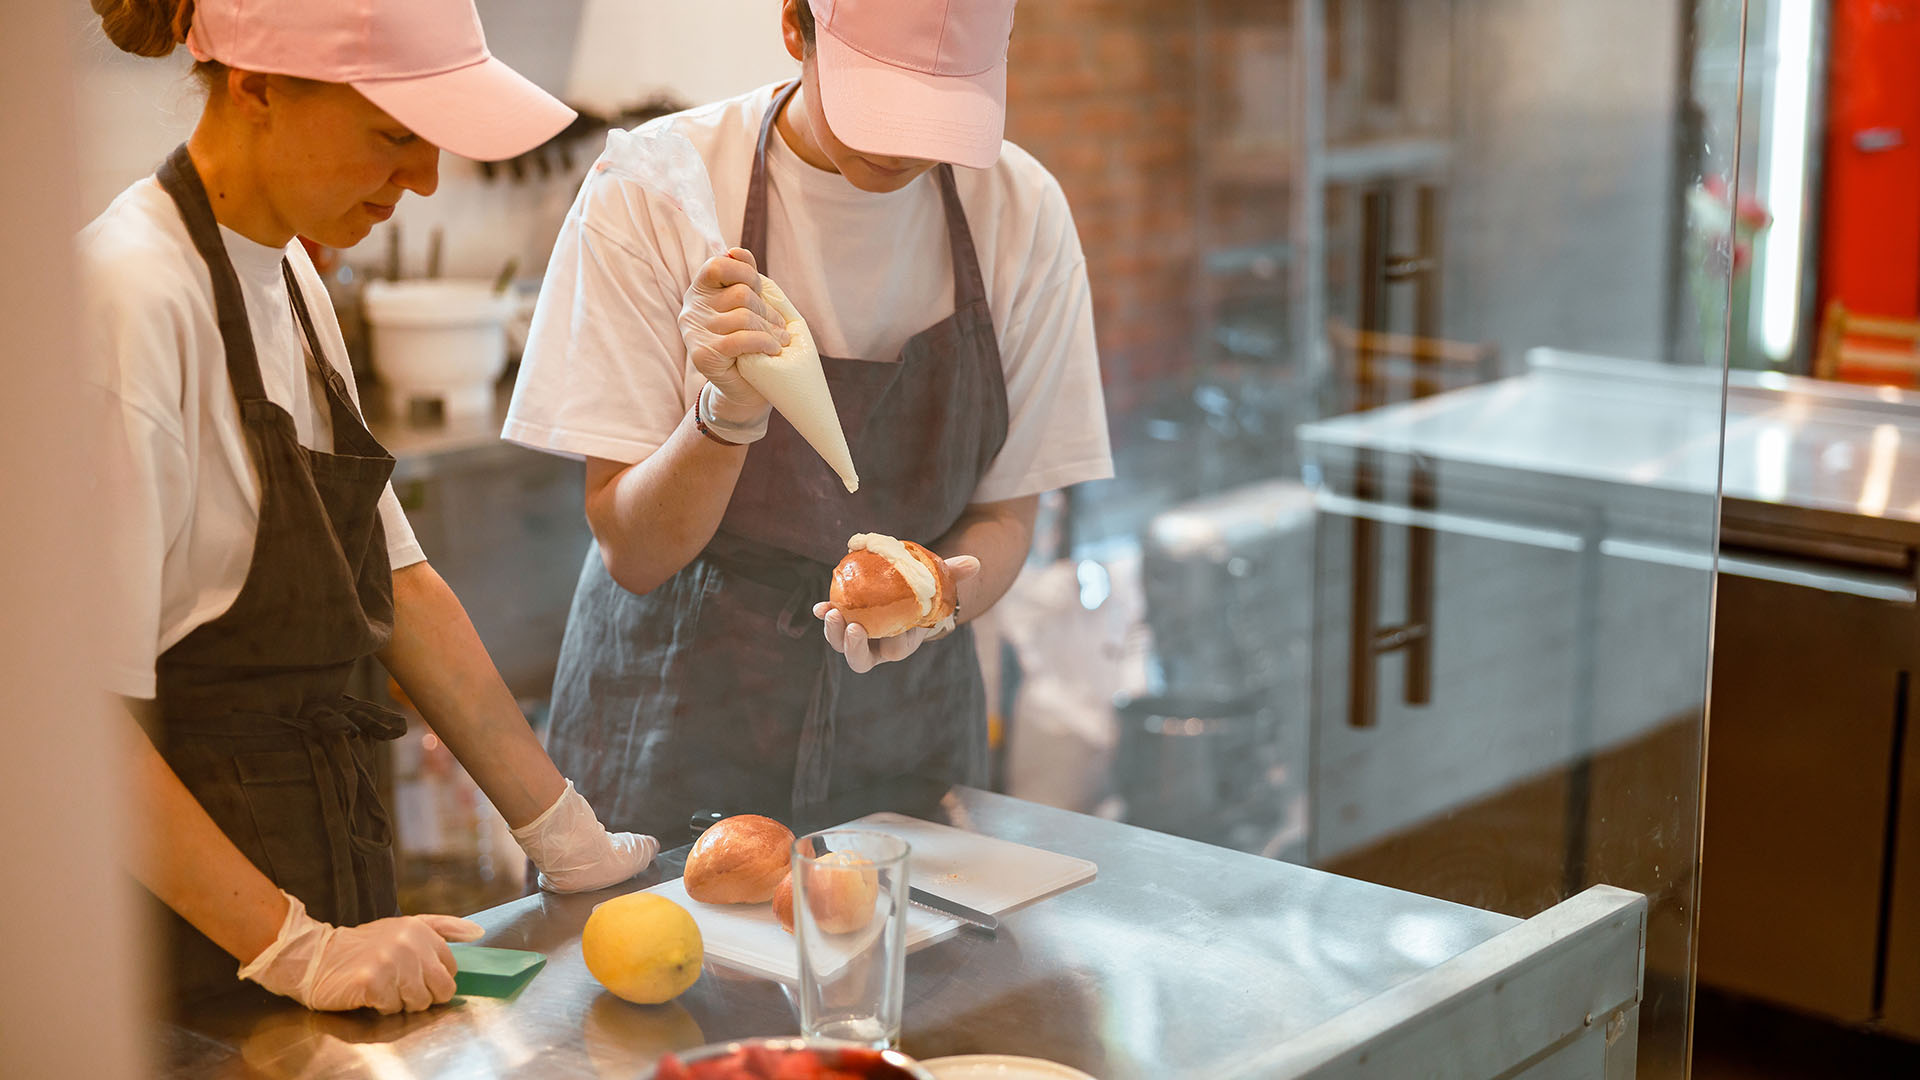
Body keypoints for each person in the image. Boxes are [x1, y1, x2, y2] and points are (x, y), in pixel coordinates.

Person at [83, 0, 657, 1015]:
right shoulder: (128, 301)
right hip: (180, 955)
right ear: (257, 87)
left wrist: (561, 829)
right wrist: (292, 947)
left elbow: (393, 577)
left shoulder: (292, 275)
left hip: (326, 891)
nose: (426, 179)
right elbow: (69, 728)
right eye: (393, 136)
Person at [506, 0, 1113, 839]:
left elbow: (1007, 512)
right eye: (882, 105)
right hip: (678, 718)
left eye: (940, 109)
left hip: (904, 731)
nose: (904, 147)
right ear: (796, 27)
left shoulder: (1018, 210)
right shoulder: (662, 189)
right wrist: (723, 415)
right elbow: (633, 552)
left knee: (911, 960)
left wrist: (942, 600)